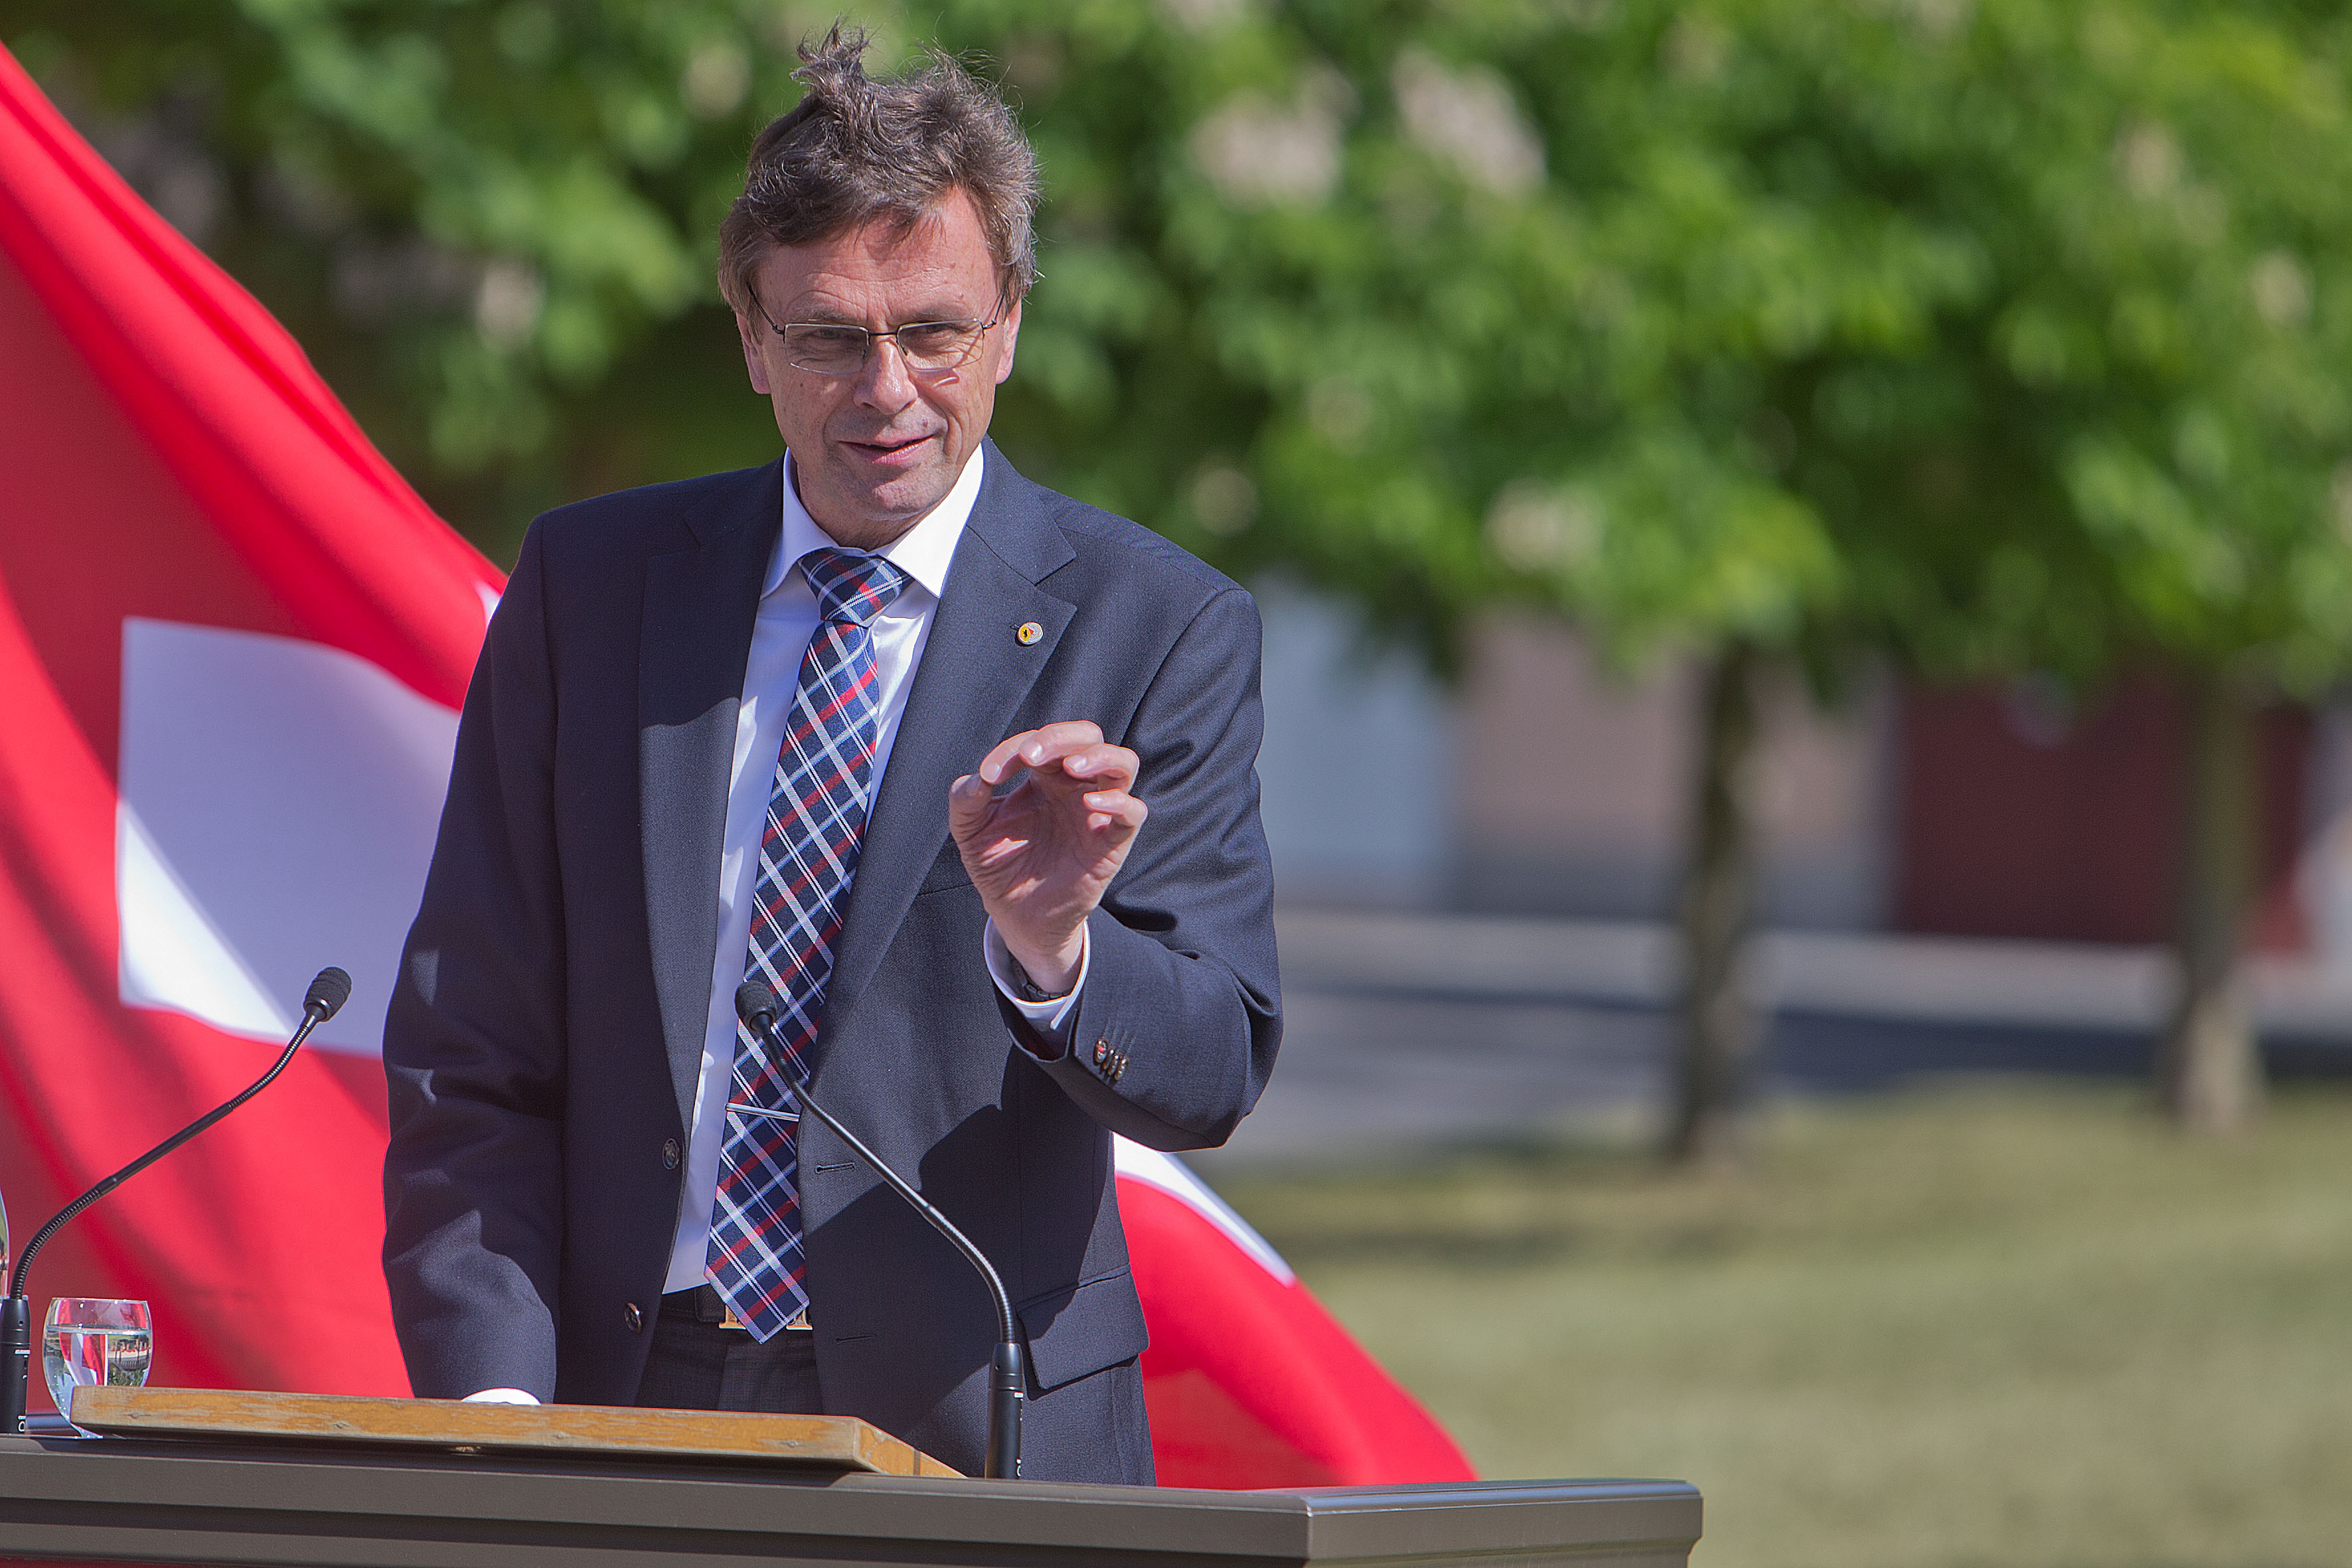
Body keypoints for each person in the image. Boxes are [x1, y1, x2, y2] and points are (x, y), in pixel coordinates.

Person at [380, 30, 1280, 1484]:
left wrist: (1054, 948)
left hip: (974, 1425)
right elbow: (469, 1039)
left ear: (1007, 327)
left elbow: (1208, 1065)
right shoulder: (592, 587)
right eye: (828, 336)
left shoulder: (1156, 625)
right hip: (625, 1397)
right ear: (749, 337)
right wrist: (494, 1404)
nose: (886, 389)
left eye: (932, 330)